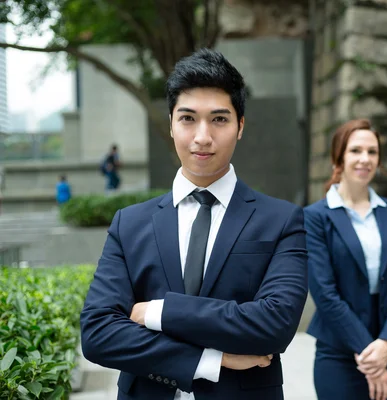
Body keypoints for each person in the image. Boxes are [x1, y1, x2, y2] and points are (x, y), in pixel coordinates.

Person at [80, 49, 308, 400]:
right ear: (171, 123)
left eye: (219, 119)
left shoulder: (281, 220)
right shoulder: (130, 224)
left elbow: (274, 325)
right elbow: (98, 334)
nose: (202, 136)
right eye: (188, 119)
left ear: (241, 126)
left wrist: (158, 311)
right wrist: (208, 360)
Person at [304, 119, 387, 400]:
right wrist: (372, 360)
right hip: (339, 353)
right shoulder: (315, 217)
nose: (365, 159)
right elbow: (325, 294)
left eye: (372, 152)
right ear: (338, 157)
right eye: (356, 151)